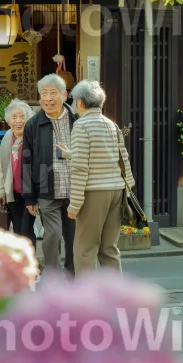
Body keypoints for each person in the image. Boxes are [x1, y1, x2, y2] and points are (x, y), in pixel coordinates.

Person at [59, 79, 135, 275]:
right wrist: (128, 187)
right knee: (109, 248)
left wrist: (75, 203)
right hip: (116, 190)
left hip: (94, 193)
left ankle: (87, 300)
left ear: (81, 103)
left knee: (85, 248)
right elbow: (121, 157)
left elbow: (80, 168)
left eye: (75, 100)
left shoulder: (81, 125)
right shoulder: (111, 124)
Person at [22, 74, 77, 276]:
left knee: (74, 238)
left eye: (53, 93)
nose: (48, 98)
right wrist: (29, 196)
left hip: (75, 191)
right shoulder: (33, 125)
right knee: (52, 235)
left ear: (65, 95)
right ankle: (53, 278)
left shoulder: (76, 120)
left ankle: (72, 279)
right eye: (43, 94)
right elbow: (26, 163)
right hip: (46, 190)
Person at [0, 99, 38, 245]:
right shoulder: (7, 137)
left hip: (30, 192)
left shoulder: (32, 136)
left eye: (22, 116)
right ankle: (21, 265)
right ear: (8, 120)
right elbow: (2, 165)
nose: (18, 121)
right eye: (14, 117)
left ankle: (31, 265)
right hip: (12, 192)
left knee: (26, 230)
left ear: (28, 118)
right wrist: (0, 190)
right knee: (17, 231)